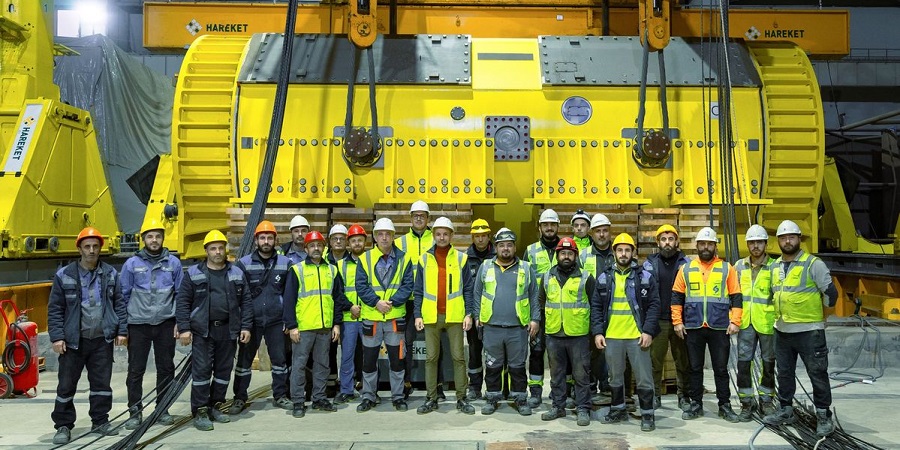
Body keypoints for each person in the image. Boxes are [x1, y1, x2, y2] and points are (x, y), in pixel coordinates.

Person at [49, 227, 127, 445]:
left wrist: (121, 330)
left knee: (102, 384)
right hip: (74, 341)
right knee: (66, 386)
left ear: (101, 248)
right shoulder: (64, 276)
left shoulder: (110, 274)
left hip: (102, 340)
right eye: (87, 246)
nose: (92, 250)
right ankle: (63, 425)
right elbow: (55, 308)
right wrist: (57, 337)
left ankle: (100, 421)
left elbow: (119, 303)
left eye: (95, 246)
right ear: (80, 249)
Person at [763, 220, 839, 437]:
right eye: (783, 238)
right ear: (778, 241)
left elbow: (831, 294)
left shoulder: (813, 264)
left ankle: (823, 415)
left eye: (791, 237)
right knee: (784, 373)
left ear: (799, 239)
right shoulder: (775, 266)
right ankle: (786, 410)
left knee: (817, 373)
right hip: (783, 330)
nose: (787, 241)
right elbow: (774, 293)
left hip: (809, 332)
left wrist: (823, 318)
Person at [176, 230, 253, 431]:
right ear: (206, 251)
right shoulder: (193, 273)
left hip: (228, 330)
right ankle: (200, 410)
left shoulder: (236, 272)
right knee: (201, 372)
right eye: (213, 248)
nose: (218, 252)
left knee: (222, 371)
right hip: (203, 331)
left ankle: (216, 404)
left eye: (220, 248)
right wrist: (184, 328)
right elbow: (183, 302)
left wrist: (245, 326)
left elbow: (245, 301)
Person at [671, 227, 742, 423]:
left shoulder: (727, 268)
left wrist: (735, 321)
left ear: (715, 246)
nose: (706, 247)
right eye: (702, 243)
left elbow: (736, 296)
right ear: (697, 246)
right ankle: (696, 404)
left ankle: (724, 405)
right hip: (693, 326)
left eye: (709, 244)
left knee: (720, 369)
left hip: (719, 327)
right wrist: (677, 322)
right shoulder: (685, 269)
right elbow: (676, 297)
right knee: (694, 368)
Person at [592, 233, 660, 432]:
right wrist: (598, 332)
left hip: (637, 337)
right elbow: (596, 306)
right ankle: (618, 409)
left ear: (633, 252)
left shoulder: (644, 277)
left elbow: (655, 305)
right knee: (614, 376)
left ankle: (647, 414)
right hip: (612, 336)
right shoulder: (605, 277)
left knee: (644, 376)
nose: (623, 254)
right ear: (614, 253)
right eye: (620, 250)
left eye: (627, 250)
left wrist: (647, 331)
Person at [121, 220, 183, 429]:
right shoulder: (131, 264)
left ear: (163, 238)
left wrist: (179, 323)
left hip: (166, 323)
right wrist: (123, 327)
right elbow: (123, 296)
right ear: (143, 239)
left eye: (157, 236)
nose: (154, 240)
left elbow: (181, 295)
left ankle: (162, 409)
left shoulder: (173, 263)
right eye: (150, 236)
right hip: (138, 325)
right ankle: (134, 412)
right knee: (135, 370)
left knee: (166, 368)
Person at [413, 217, 476, 415]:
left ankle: (461, 398)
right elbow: (418, 290)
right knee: (431, 358)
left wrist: (469, 313)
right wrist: (417, 315)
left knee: (458, 358)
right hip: (431, 315)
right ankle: (431, 398)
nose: (442, 237)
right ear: (434, 235)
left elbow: (468, 288)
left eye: (445, 234)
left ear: (451, 236)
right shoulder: (424, 259)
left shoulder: (461, 258)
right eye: (438, 234)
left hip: (455, 316)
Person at [474, 228, 541, 416]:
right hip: (492, 327)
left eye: (509, 245)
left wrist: (535, 318)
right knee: (493, 366)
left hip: (517, 328)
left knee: (518, 367)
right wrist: (477, 315)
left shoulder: (526, 268)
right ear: (495, 247)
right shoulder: (486, 266)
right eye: (501, 245)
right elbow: (477, 292)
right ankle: (493, 398)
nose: (505, 249)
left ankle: (520, 399)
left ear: (514, 247)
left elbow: (534, 295)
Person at [283, 231, 348, 418]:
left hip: (325, 327)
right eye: (312, 245)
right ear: (306, 249)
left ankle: (319, 398)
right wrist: (292, 326)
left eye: (319, 245)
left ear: (324, 247)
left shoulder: (332, 270)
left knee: (323, 365)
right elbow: (289, 300)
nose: (316, 248)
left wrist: (336, 324)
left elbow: (337, 299)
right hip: (303, 328)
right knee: (299, 365)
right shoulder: (297, 270)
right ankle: (297, 401)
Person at [230, 221, 293, 414]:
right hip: (252, 322)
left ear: (276, 240)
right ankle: (240, 398)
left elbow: (290, 296)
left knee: (280, 361)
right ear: (256, 240)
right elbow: (238, 296)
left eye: (270, 238)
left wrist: (288, 321)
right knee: (244, 362)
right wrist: (243, 324)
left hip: (276, 321)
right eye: (262, 238)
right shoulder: (244, 264)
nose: (266, 241)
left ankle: (280, 395)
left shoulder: (286, 264)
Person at [355, 218, 415, 412]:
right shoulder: (365, 259)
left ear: (393, 236)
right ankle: (369, 396)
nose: (384, 237)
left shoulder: (405, 259)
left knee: (397, 360)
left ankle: (397, 396)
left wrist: (392, 303)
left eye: (387, 234)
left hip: (395, 318)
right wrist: (376, 303)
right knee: (369, 359)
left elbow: (408, 286)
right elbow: (361, 286)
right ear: (374, 237)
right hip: (372, 318)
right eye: (380, 234)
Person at [538, 237, 593, 427]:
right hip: (554, 334)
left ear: (575, 256)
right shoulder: (547, 277)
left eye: (570, 253)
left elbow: (595, 305)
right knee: (556, 374)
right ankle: (558, 406)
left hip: (578, 334)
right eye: (563, 253)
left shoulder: (586, 277)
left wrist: (594, 333)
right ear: (557, 255)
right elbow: (541, 303)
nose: (566, 256)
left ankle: (583, 409)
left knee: (581, 374)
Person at [643, 224, 691, 411]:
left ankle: (683, 397)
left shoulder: (686, 264)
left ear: (676, 241)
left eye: (671, 239)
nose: (667, 243)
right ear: (658, 242)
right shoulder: (649, 264)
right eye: (664, 239)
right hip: (659, 321)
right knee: (655, 362)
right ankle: (655, 396)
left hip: (680, 321)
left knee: (682, 362)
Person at [735, 224, 777, 421]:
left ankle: (766, 401)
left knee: (768, 364)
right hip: (745, 323)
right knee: (744, 364)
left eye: (759, 242)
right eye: (752, 242)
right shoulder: (738, 266)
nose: (755, 246)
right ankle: (746, 403)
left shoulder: (775, 267)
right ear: (747, 245)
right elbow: (733, 295)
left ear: (766, 244)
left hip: (768, 323)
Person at [395, 200, 435, 399]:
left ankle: (437, 385)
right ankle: (406, 381)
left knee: (436, 343)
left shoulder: (436, 239)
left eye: (423, 215)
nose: (419, 218)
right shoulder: (400, 243)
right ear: (410, 218)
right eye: (415, 215)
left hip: (432, 300)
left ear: (428, 218)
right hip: (408, 301)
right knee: (406, 342)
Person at [522, 208, 560, 408]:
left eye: (552, 224)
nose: (549, 228)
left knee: (559, 354)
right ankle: (535, 392)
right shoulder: (531, 250)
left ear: (557, 227)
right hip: (538, 311)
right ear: (540, 228)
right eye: (546, 225)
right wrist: (530, 315)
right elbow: (524, 282)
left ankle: (559, 391)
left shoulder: (566, 247)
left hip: (561, 311)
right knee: (536, 352)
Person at [579, 213, 615, 403]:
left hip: (614, 309)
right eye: (598, 231)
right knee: (591, 350)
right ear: (591, 234)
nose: (601, 235)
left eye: (605, 231)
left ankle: (608, 384)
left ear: (610, 232)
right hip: (591, 309)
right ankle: (592, 384)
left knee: (610, 349)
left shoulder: (617, 253)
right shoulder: (583, 255)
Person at [333, 224, 368, 404]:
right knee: (347, 356)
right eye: (353, 240)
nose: (356, 243)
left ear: (365, 242)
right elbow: (338, 293)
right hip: (349, 318)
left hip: (370, 316)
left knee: (370, 356)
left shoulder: (372, 262)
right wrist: (350, 307)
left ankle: (370, 390)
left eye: (359, 240)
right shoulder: (339, 266)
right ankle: (346, 389)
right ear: (349, 243)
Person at [464, 218, 495, 400]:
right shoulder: (465, 259)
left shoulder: (497, 256)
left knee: (493, 354)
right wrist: (469, 313)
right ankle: (474, 387)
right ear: (472, 237)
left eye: (484, 235)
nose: (481, 239)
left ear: (488, 236)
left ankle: (492, 388)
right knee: (475, 353)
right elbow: (465, 289)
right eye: (477, 236)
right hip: (475, 315)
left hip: (494, 316)